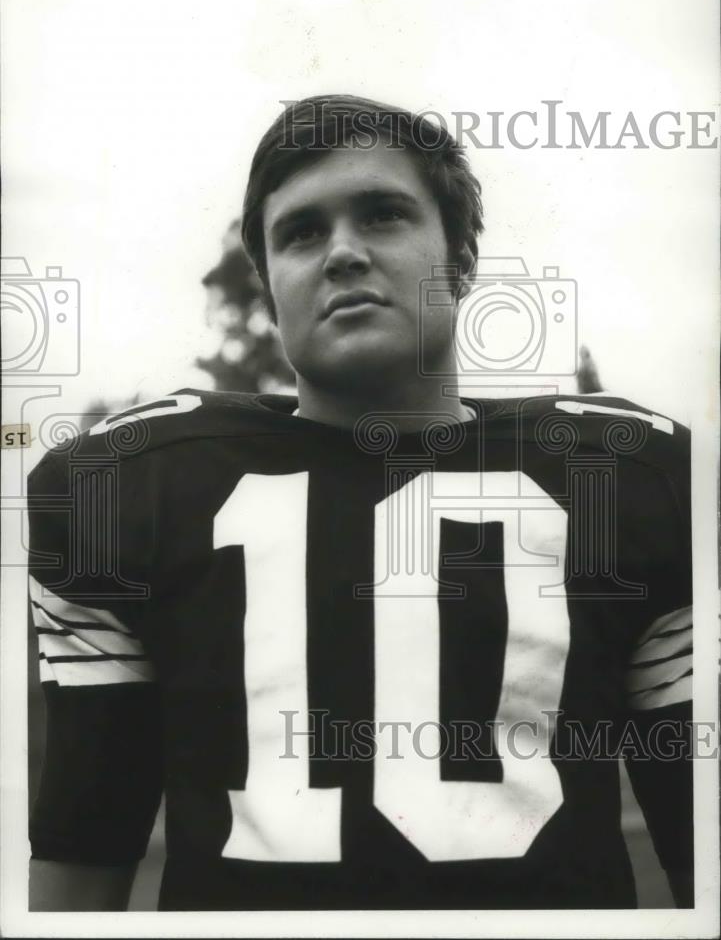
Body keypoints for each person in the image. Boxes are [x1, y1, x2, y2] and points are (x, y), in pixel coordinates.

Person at [27, 95, 692, 911]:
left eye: (382, 215)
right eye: (301, 232)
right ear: (270, 285)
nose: (342, 253)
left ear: (461, 257)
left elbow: (701, 847)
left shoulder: (632, 478)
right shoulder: (127, 488)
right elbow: (80, 858)